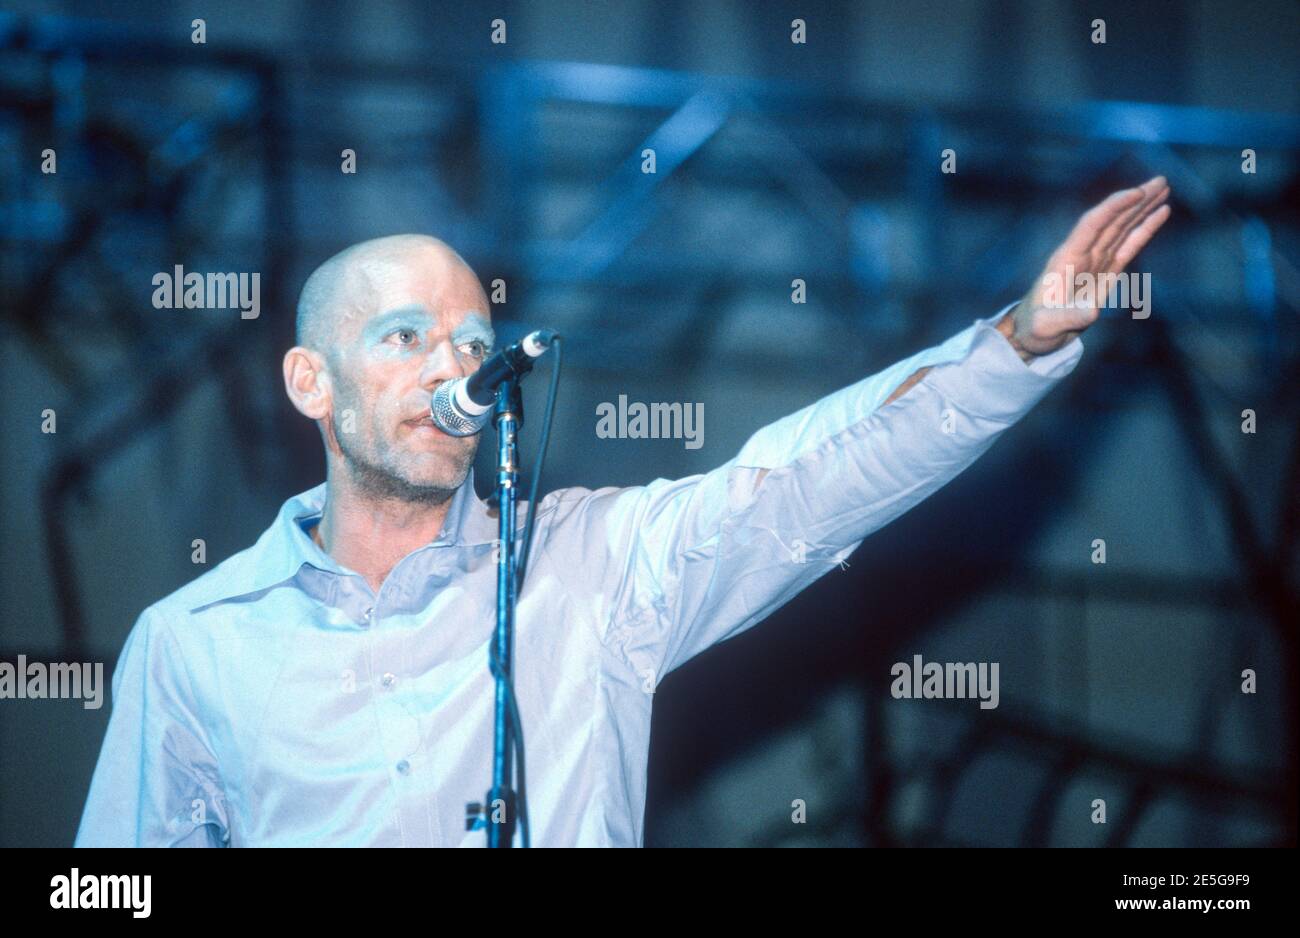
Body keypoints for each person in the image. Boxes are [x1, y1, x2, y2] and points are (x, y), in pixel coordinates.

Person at [74, 178, 1172, 846]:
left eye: (470, 343)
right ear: (312, 382)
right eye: (403, 337)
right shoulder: (195, 641)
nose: (453, 369)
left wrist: (1013, 342)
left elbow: (801, 481)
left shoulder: (587, 565)